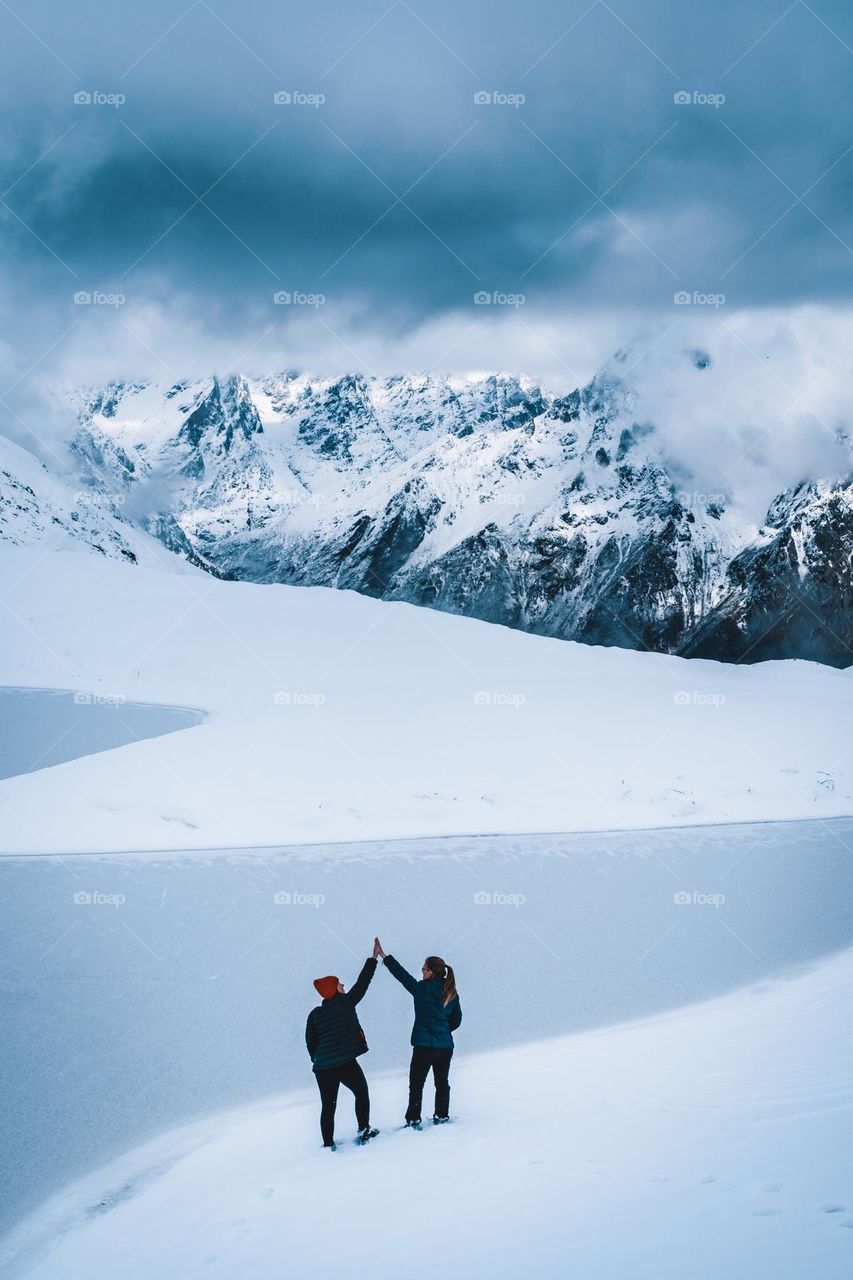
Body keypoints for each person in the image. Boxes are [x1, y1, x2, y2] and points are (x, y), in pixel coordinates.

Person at [374, 937, 461, 1128]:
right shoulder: (451, 992)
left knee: (416, 1084)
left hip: (423, 1047)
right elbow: (456, 1021)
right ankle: (442, 1115)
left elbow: (402, 976)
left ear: (432, 972)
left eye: (424, 968)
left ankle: (413, 1119)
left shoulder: (420, 989)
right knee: (442, 1082)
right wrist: (443, 1031)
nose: (421, 971)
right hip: (445, 1047)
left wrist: (385, 957)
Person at [305, 942, 382, 1149]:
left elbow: (310, 1042)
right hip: (344, 1063)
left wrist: (319, 1059)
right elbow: (363, 983)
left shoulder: (315, 1014)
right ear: (333, 989)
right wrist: (373, 959)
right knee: (362, 1092)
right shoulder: (345, 1003)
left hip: (323, 1067)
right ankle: (364, 1130)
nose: (343, 986)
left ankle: (328, 1144)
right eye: (339, 984)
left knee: (328, 1106)